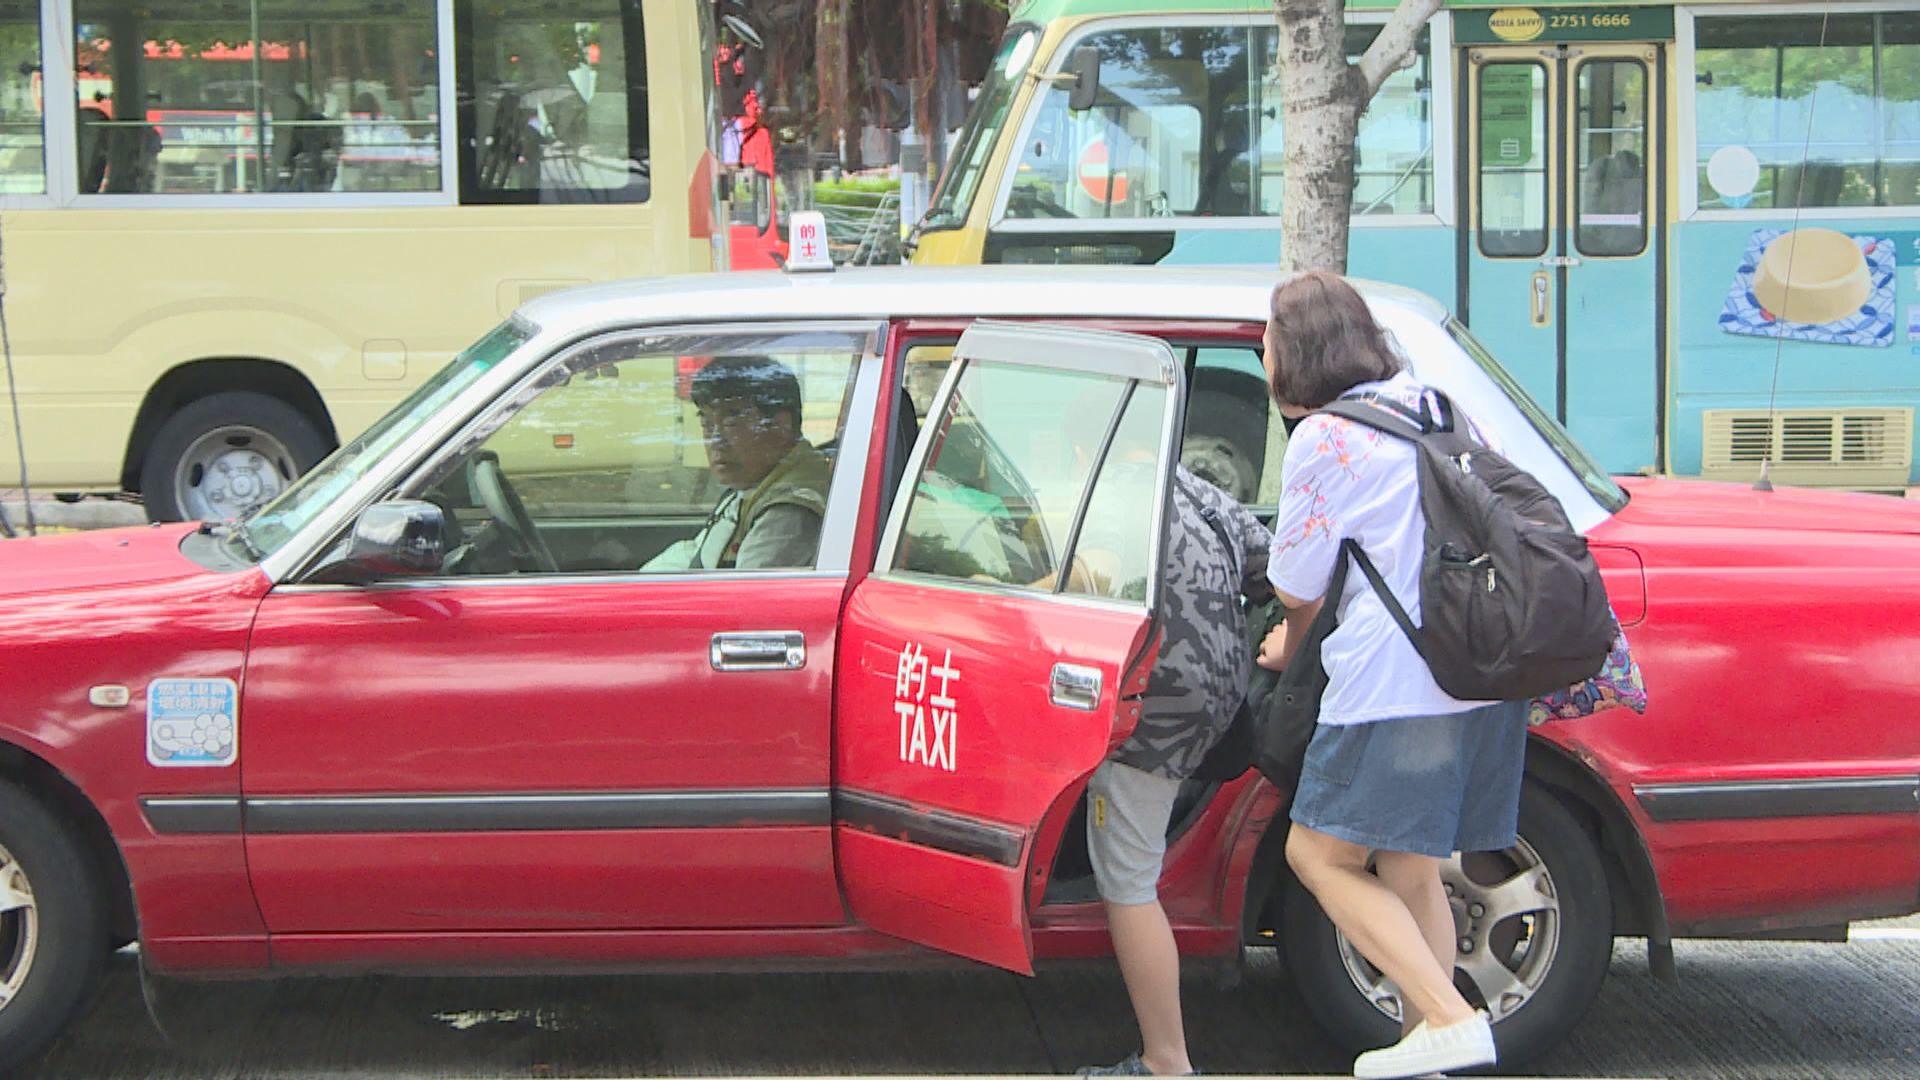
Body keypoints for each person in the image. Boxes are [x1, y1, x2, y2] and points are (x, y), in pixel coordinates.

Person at [1255, 271, 1524, 1080]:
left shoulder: (1325, 439)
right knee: (1408, 867)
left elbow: (1295, 583)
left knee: (1319, 857)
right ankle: (1432, 1052)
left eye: (1266, 338)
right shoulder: (1438, 405)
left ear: (1294, 353)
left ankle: (1447, 1016)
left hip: (1390, 687)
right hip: (1476, 674)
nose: (1262, 351)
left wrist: (1282, 642)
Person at [1078, 462, 1272, 1077]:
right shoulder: (1194, 486)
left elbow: (1092, 577)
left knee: (1129, 883)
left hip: (1152, 708)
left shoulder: (1103, 492)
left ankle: (1166, 1062)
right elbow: (1275, 564)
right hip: (1219, 694)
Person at [644, 355, 830, 571]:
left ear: (780, 425)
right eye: (706, 423)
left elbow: (745, 597)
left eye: (731, 421)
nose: (715, 441)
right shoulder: (755, 484)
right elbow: (699, 550)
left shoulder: (788, 512)